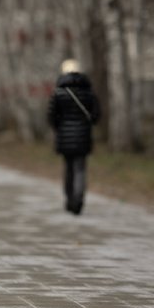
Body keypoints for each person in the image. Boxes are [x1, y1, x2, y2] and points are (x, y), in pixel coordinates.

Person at [48, 59, 100, 215]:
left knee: (68, 169)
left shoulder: (58, 93)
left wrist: (60, 129)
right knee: (80, 169)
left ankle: (70, 199)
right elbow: (96, 116)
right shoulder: (89, 93)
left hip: (64, 137)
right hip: (83, 137)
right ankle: (78, 200)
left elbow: (51, 116)